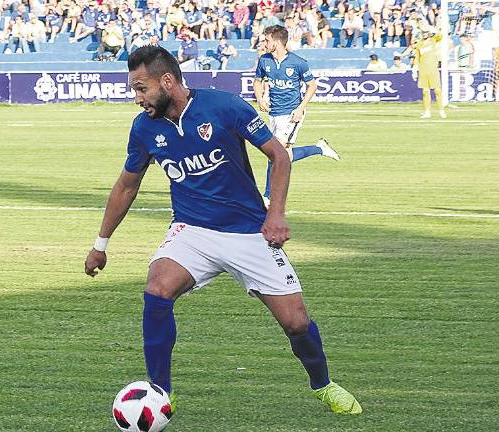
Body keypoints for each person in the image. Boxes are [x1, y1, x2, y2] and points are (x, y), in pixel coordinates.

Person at [84, 45, 362, 416]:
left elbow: (279, 156)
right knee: (157, 288)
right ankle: (160, 393)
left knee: (296, 323)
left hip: (249, 232)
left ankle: (323, 385)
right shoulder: (144, 128)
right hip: (192, 230)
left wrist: (275, 215)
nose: (137, 99)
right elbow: (126, 185)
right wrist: (100, 244)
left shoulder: (225, 106)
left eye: (141, 88)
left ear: (168, 81)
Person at [254, 25, 339, 206]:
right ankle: (319, 148)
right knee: (282, 155)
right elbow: (257, 81)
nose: (264, 43)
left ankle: (268, 196)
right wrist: (260, 98)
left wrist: (301, 108)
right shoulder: (264, 61)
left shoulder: (298, 62)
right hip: (274, 114)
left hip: (292, 113)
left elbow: (312, 85)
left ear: (277, 41)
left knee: (276, 154)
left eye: (267, 40)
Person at [412, 28, 446, 118]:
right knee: (425, 92)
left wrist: (435, 30)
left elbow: (441, 36)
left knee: (437, 90)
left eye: (426, 32)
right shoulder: (419, 44)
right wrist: (415, 69)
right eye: (423, 32)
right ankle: (427, 112)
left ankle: (441, 110)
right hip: (423, 70)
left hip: (433, 69)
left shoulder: (433, 40)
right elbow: (417, 57)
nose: (424, 34)